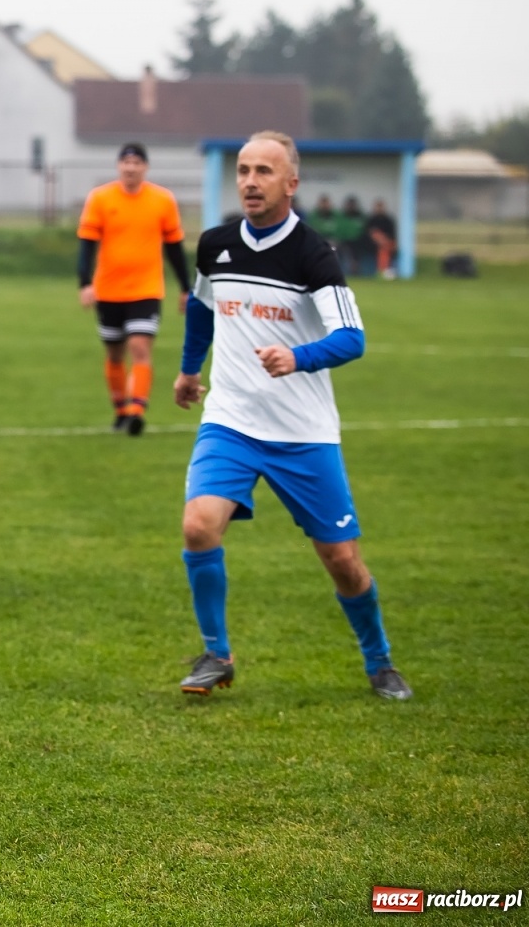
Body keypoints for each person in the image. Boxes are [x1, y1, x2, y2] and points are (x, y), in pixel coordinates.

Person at [173, 131, 411, 701]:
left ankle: (379, 661)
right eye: (244, 170)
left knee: (342, 560)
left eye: (264, 171)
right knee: (198, 525)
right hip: (231, 420)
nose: (250, 182)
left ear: (291, 183)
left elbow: (351, 337)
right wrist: (188, 371)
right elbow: (201, 308)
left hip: (302, 433)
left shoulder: (314, 254)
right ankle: (216, 654)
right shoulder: (215, 245)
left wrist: (297, 357)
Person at [76, 142, 190, 436]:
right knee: (115, 354)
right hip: (109, 291)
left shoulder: (162, 200)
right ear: (119, 167)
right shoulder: (100, 198)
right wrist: (85, 283)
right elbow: (87, 245)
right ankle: (120, 409)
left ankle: (136, 410)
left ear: (145, 168)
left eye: (137, 163)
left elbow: (174, 248)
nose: (131, 168)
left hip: (146, 289)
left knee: (139, 347)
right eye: (126, 163)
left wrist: (185, 287)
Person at [333, 195, 367, 274]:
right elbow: (339, 231)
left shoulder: (360, 217)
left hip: (358, 242)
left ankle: (355, 270)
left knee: (357, 253)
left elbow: (364, 231)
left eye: (352, 205)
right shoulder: (341, 217)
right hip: (344, 242)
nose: (351, 207)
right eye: (349, 205)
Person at [365, 198, 398, 279]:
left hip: (387, 244)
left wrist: (384, 240)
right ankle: (382, 271)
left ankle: (384, 271)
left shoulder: (388, 220)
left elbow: (392, 235)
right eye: (378, 207)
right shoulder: (371, 220)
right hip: (372, 245)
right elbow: (369, 233)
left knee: (386, 249)